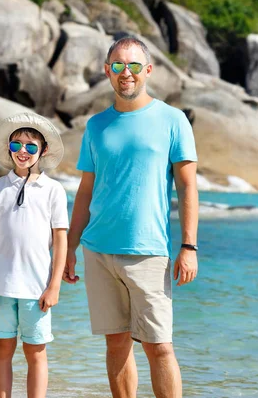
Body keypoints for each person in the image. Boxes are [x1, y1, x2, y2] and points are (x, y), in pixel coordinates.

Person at [64, 36, 199, 398]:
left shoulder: (173, 121)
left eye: (134, 65)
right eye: (119, 65)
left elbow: (187, 188)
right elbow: (86, 191)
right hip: (97, 251)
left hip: (148, 251)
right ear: (107, 71)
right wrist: (69, 247)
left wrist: (188, 245)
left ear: (148, 71)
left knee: (160, 346)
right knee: (116, 344)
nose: (127, 73)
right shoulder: (96, 126)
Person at [0, 113, 69, 398]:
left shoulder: (53, 190)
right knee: (2, 348)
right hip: (2, 285)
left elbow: (61, 240)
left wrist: (54, 285)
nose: (23, 151)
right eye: (16, 145)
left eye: (31, 146)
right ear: (8, 149)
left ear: (42, 151)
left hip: (37, 287)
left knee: (36, 352)